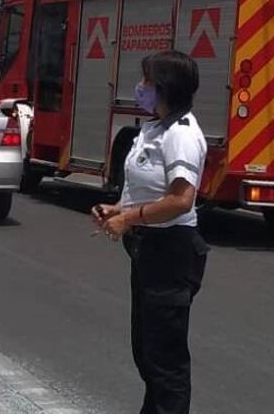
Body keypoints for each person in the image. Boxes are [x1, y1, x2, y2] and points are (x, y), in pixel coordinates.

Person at [92, 50, 209, 414]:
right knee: (147, 353)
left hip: (170, 252)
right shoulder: (156, 129)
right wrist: (118, 209)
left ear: (164, 87)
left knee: (165, 360)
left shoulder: (181, 134)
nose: (140, 87)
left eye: (146, 81)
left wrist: (129, 218)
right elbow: (152, 189)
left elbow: (180, 200)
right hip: (149, 250)